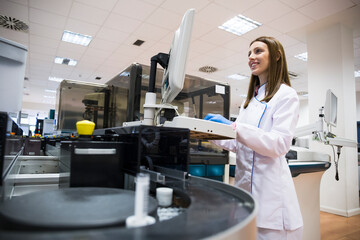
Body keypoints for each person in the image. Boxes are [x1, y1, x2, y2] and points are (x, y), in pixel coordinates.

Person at [204, 36, 303, 240]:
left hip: (272, 200)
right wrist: (210, 132)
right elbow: (239, 144)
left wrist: (234, 127)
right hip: (245, 193)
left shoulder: (287, 95)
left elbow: (279, 144)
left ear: (276, 56)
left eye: (258, 51)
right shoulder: (249, 102)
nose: (251, 57)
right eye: (249, 53)